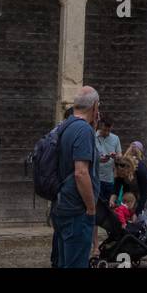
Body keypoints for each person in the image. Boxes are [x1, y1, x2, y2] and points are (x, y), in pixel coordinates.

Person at [50, 85, 100, 269]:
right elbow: (81, 172)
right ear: (95, 106)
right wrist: (91, 208)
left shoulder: (64, 126)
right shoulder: (83, 130)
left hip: (62, 206)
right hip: (77, 210)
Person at [95, 114, 122, 205]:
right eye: (104, 130)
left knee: (108, 206)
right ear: (100, 126)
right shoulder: (92, 137)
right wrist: (98, 159)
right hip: (95, 178)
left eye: (109, 130)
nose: (106, 132)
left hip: (109, 179)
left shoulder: (115, 138)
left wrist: (116, 157)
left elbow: (119, 155)